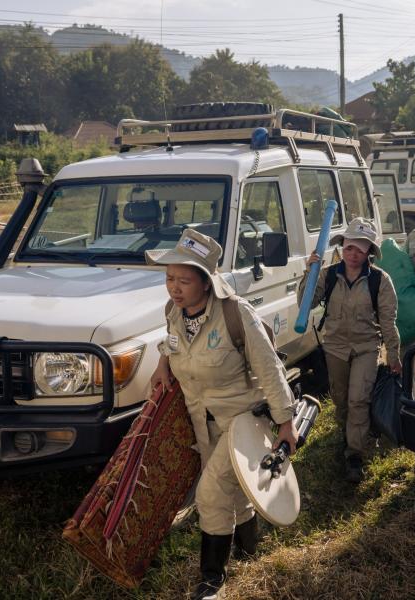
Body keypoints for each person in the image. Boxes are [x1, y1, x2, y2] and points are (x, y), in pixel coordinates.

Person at [147, 229, 296, 600]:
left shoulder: (235, 314)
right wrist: (163, 363)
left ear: (206, 281)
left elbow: (270, 370)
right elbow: (173, 339)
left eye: (184, 280)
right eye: (169, 279)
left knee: (210, 494)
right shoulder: (174, 312)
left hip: (242, 421)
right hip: (202, 419)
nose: (174, 288)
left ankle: (211, 578)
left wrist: (286, 422)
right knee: (235, 488)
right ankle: (248, 548)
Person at [300, 218, 401, 483]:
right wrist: (308, 273)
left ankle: (355, 454)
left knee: (359, 399)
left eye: (360, 249)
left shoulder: (380, 280)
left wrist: (393, 354)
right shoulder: (329, 275)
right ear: (341, 247)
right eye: (349, 248)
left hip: (367, 347)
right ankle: (348, 434)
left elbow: (388, 321)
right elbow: (305, 302)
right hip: (335, 347)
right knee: (342, 399)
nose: (353, 254)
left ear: (369, 251)